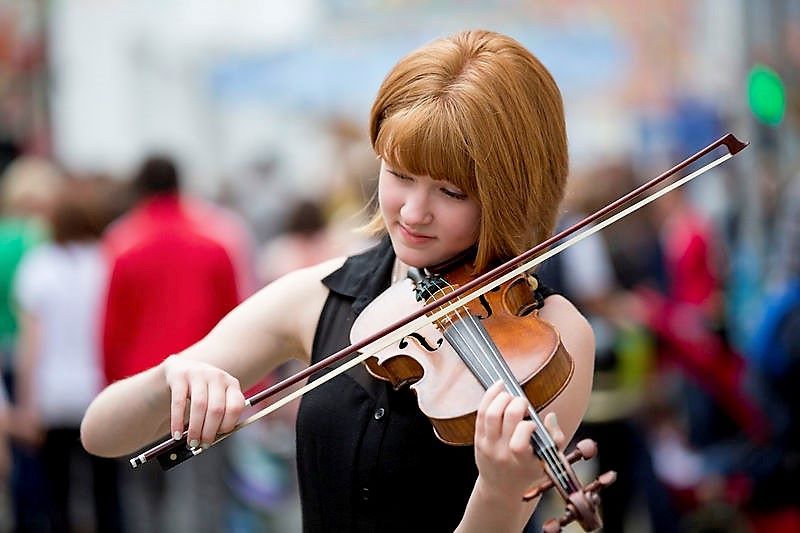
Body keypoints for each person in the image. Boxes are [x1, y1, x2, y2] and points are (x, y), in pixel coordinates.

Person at [81, 30, 596, 532]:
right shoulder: (319, 294)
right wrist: (170, 377)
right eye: (398, 174)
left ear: (513, 195)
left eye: (451, 192)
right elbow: (101, 433)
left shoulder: (551, 338)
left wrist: (500, 494)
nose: (413, 212)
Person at [12, 178, 123, 532]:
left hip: (53, 393)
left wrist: (26, 403)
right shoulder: (108, 262)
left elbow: (31, 344)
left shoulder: (39, 267)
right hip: (101, 389)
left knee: (57, 493)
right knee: (107, 490)